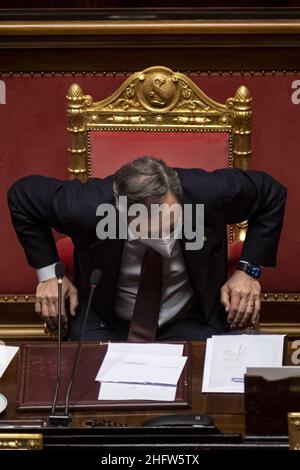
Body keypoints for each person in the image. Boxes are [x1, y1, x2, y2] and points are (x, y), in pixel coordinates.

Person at [7, 156, 287, 341]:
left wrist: (248, 271)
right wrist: (47, 276)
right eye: (150, 233)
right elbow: (22, 196)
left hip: (192, 318)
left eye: (172, 225)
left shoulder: (209, 191)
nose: (165, 239)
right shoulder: (86, 206)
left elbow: (272, 194)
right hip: (107, 321)